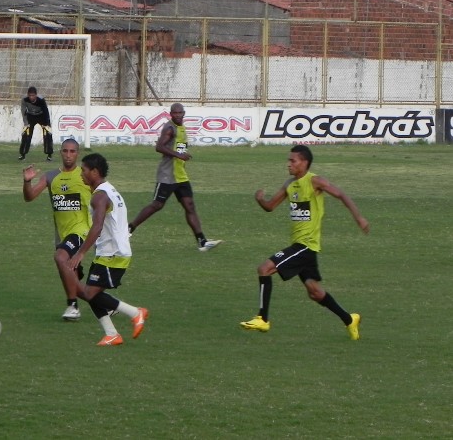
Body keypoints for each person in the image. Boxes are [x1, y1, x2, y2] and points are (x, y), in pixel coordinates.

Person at [240, 144, 370, 340]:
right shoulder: (289, 185)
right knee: (315, 293)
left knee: (264, 269)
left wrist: (359, 218)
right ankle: (349, 319)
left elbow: (341, 194)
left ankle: (262, 318)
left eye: (293, 161)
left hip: (305, 246)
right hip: (303, 247)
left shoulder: (315, 181)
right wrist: (260, 200)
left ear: (305, 162)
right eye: (288, 160)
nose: (289, 164)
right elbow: (270, 206)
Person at [68, 153, 149, 346]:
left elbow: (97, 227)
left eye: (84, 170)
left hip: (113, 254)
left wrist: (80, 254)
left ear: (94, 172)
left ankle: (135, 313)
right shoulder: (110, 190)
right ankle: (111, 334)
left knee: (88, 293)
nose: (81, 174)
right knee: (89, 293)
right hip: (108, 252)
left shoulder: (100, 196)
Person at [128, 102, 222, 252]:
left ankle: (202, 241)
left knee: (189, 206)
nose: (177, 115)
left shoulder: (181, 128)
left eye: (180, 113)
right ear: (171, 114)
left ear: (184, 114)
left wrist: (181, 157)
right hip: (167, 175)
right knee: (157, 205)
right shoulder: (169, 128)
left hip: (181, 175)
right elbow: (159, 147)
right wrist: (179, 155)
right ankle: (129, 228)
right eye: (175, 113)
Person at [22, 138, 92, 321]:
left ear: (78, 154)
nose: (68, 155)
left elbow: (104, 196)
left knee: (61, 258)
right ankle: (106, 304)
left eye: (72, 151)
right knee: (71, 277)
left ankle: (72, 306)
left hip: (81, 230)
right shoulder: (51, 176)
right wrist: (27, 182)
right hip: (61, 233)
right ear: (60, 152)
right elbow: (29, 197)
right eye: (65, 151)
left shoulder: (85, 176)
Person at [19, 86, 53, 161]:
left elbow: (46, 111)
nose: (31, 97)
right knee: (26, 134)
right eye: (30, 95)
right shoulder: (24, 99)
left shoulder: (41, 100)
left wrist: (46, 123)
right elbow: (23, 111)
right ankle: (23, 154)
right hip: (30, 116)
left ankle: (49, 154)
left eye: (33, 95)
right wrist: (26, 123)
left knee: (47, 134)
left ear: (36, 95)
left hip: (41, 116)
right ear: (28, 95)